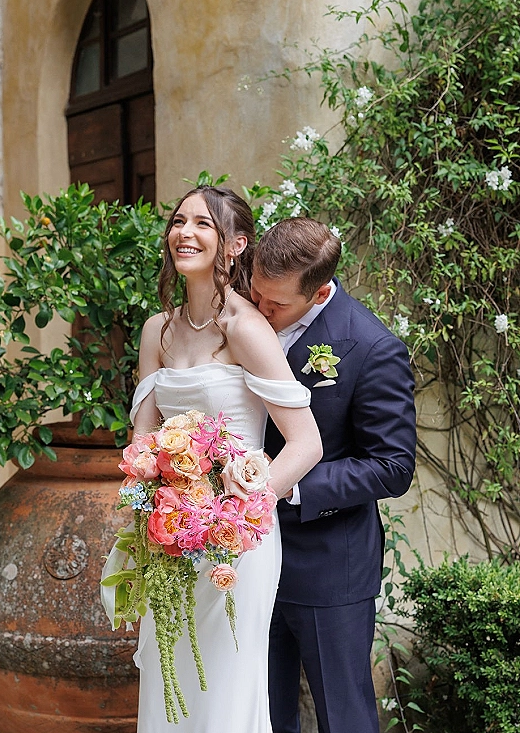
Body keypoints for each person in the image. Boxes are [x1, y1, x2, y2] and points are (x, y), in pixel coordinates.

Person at [111, 187, 323, 733]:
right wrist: (143, 509)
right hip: (169, 536)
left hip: (236, 545)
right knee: (168, 678)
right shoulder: (157, 330)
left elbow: (305, 443)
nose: (185, 232)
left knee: (223, 685)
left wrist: (241, 511)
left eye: (203, 224)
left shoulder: (246, 329)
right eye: (178, 221)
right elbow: (142, 441)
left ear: (234, 244)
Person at [251, 217, 417, 733]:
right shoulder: (246, 318)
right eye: (255, 294)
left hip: (328, 565)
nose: (260, 311)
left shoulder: (371, 348)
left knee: (343, 716)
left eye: (275, 305)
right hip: (244, 559)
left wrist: (289, 485)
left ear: (320, 290)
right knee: (260, 712)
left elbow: (393, 465)